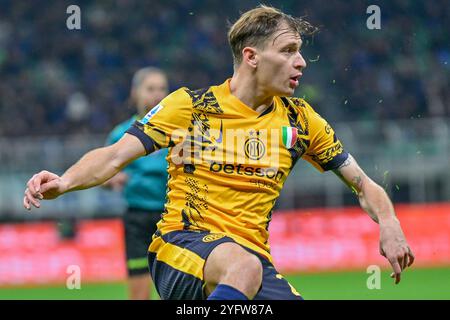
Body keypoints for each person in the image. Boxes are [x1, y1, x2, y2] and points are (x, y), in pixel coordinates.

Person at [23, 5, 414, 300]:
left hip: (252, 265)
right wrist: (65, 181)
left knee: (245, 266)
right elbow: (113, 156)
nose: (301, 61)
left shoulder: (301, 122)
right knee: (240, 265)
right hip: (180, 247)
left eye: (300, 51)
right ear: (252, 57)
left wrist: (390, 222)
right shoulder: (190, 107)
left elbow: (362, 184)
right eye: (289, 50)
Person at [103, 67, 169, 300]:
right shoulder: (121, 134)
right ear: (135, 93)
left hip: (172, 219)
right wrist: (111, 180)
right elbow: (101, 174)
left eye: (162, 88)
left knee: (180, 289)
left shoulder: (179, 132)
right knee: (140, 293)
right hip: (137, 220)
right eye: (150, 88)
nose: (157, 94)